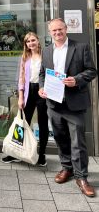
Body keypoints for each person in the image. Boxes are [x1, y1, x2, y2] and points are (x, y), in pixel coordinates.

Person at [39, 18, 97, 197]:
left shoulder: (81, 47)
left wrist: (77, 80)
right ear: (50, 33)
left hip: (74, 103)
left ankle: (82, 177)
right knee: (60, 138)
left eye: (60, 29)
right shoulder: (47, 50)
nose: (57, 33)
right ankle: (67, 168)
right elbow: (42, 73)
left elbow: (92, 71)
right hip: (54, 104)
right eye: (54, 31)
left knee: (78, 141)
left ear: (66, 29)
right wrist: (42, 87)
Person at [1, 32, 49, 166]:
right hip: (29, 92)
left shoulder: (46, 56)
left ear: (38, 41)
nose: (31, 43)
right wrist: (21, 97)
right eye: (28, 42)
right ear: (26, 44)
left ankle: (42, 155)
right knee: (22, 122)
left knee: (43, 123)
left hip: (42, 91)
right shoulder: (24, 57)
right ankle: (15, 153)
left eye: (33, 40)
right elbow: (21, 79)